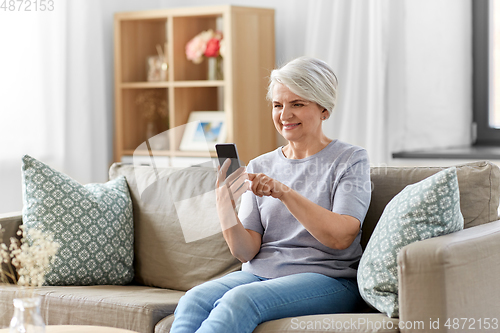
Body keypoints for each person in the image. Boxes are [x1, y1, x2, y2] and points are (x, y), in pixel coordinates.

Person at [170, 56, 371, 333]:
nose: (285, 115)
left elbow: (341, 237)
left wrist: (284, 192)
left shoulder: (350, 159)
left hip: (329, 279)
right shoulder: (260, 165)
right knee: (193, 300)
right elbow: (244, 252)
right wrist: (224, 206)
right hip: (260, 274)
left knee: (239, 301)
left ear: (324, 108)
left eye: (297, 104)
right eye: (278, 105)